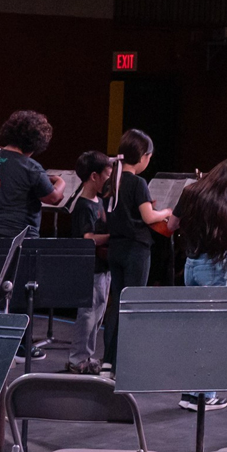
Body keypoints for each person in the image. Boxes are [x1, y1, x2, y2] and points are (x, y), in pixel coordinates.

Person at [169, 157, 227, 412]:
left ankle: (189, 393)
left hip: (190, 264)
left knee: (195, 330)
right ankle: (206, 396)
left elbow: (172, 225)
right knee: (212, 332)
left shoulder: (191, 191)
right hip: (213, 266)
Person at [100, 129, 173, 379]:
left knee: (117, 306)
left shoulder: (114, 180)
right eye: (149, 157)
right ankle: (126, 366)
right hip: (135, 251)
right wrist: (166, 211)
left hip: (116, 249)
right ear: (142, 157)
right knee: (133, 306)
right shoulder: (138, 183)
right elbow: (148, 217)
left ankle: (108, 363)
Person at [67, 151, 113, 375]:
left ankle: (87, 355)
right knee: (87, 315)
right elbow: (88, 238)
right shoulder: (83, 205)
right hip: (89, 269)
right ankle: (78, 358)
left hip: (102, 269)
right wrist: (114, 236)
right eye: (106, 174)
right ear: (94, 176)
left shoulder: (100, 202)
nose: (109, 179)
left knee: (98, 314)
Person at [0, 110, 65, 238]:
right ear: (36, 141)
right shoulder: (31, 167)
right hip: (20, 237)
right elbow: (53, 198)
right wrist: (61, 182)